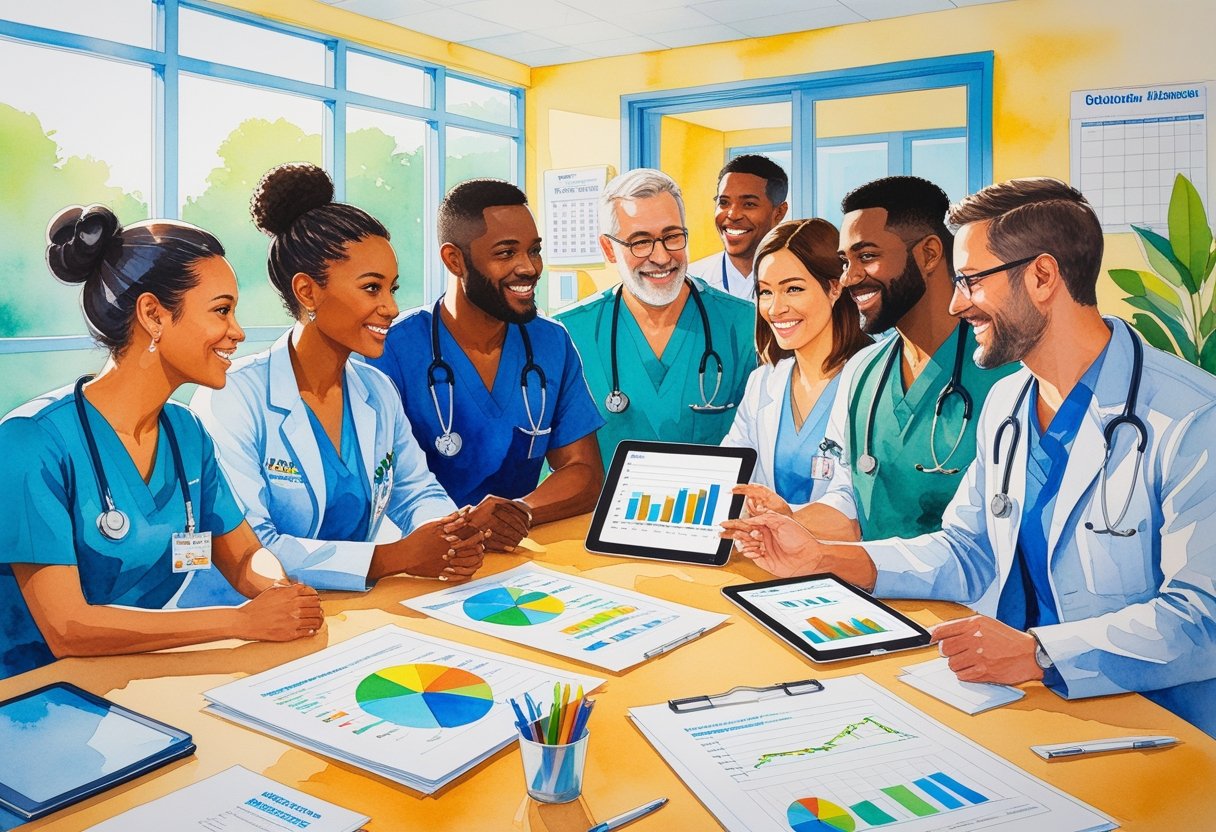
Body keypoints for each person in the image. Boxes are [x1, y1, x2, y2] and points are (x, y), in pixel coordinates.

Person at [724, 177, 1216, 736]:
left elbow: (1204, 620)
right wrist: (822, 558)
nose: (956, 303)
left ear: (1042, 276)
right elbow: (967, 549)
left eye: (971, 282)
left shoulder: (1194, 419)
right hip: (1030, 712)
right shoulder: (1009, 401)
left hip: (1166, 731)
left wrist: (1040, 654)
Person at [0, 205, 322, 679]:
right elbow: (67, 627)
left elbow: (245, 555)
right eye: (221, 311)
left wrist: (275, 589)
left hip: (138, 679)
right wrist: (238, 621)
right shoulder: (31, 441)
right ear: (153, 314)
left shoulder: (185, 431)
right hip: (32, 695)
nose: (237, 333)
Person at [193, 163, 486, 593]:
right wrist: (394, 557)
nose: (390, 307)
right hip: (254, 617)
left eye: (393, 289)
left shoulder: (376, 391)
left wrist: (449, 534)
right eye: (372, 288)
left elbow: (416, 492)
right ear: (308, 292)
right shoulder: (232, 396)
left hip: (351, 608)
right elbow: (252, 546)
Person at [737, 176, 1017, 542]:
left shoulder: (1008, 371)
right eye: (844, 261)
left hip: (975, 596)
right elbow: (849, 501)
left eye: (867, 256)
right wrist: (790, 521)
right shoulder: (863, 372)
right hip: (872, 586)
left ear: (929, 254)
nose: (850, 277)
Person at [369, 180, 604, 550]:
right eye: (506, 253)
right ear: (454, 260)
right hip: (420, 558)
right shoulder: (390, 349)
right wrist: (461, 528)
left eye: (534, 250)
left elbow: (584, 472)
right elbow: (380, 483)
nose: (529, 268)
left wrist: (519, 513)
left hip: (514, 554)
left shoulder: (551, 342)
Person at [556, 169, 756, 467]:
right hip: (602, 513)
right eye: (640, 242)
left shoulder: (744, 324)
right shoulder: (569, 334)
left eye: (672, 236)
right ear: (609, 249)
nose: (662, 257)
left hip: (716, 511)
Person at [721, 219, 871, 506]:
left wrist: (786, 521)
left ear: (835, 288)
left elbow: (863, 504)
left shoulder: (870, 380)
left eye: (793, 289)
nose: (776, 308)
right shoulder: (764, 382)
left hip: (844, 549)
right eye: (765, 291)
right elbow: (730, 476)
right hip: (767, 546)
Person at [686, 154, 789, 301]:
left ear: (779, 212)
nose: (733, 215)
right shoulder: (690, 281)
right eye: (724, 202)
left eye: (749, 204)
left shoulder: (802, 278)